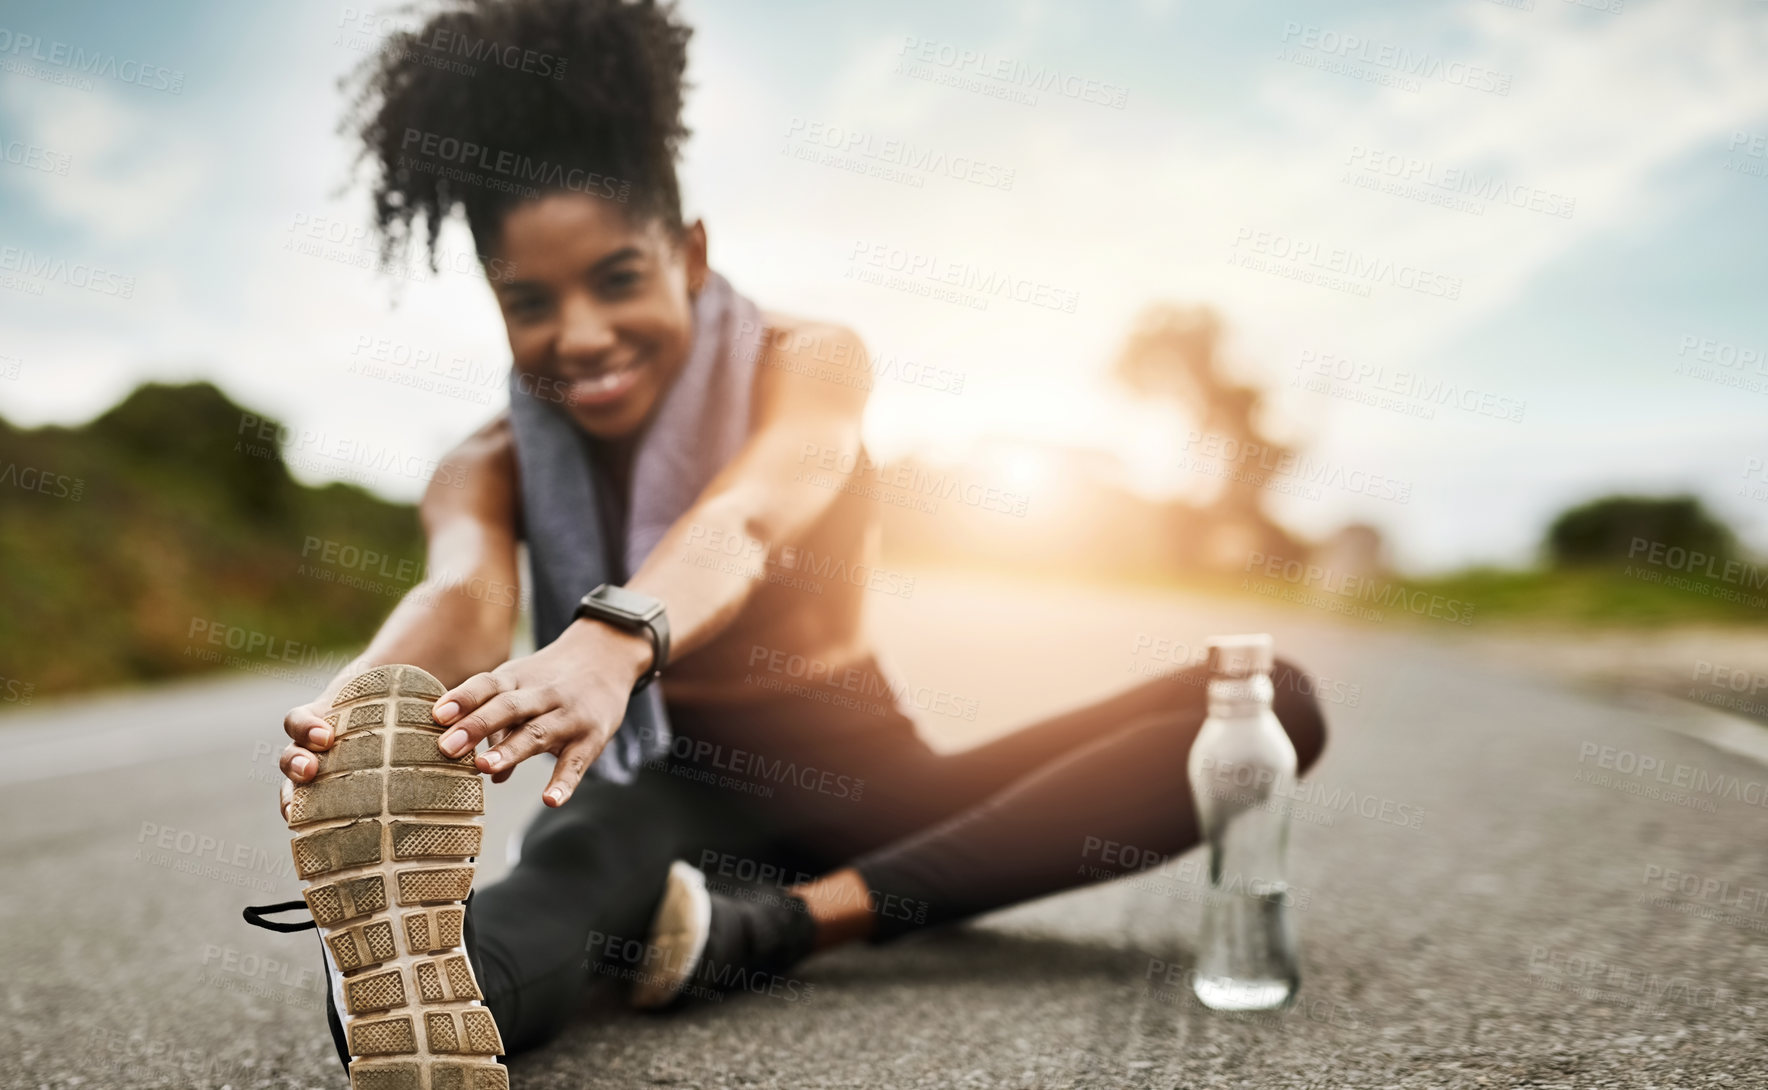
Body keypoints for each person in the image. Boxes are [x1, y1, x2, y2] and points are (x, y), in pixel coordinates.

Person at [264, 0, 1327, 1078]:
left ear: (688, 252)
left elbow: (752, 509)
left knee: (1265, 701)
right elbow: (461, 594)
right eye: (528, 301)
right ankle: (398, 1003)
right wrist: (353, 712)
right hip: (653, 785)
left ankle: (766, 926)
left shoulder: (807, 359)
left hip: (858, 775)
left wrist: (613, 636)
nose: (579, 334)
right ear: (494, 302)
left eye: (617, 278)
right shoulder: (483, 459)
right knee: (568, 879)